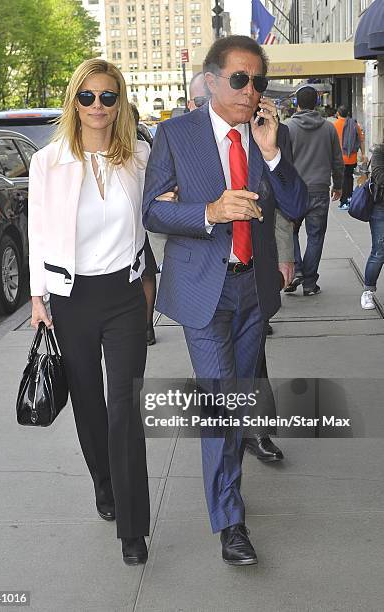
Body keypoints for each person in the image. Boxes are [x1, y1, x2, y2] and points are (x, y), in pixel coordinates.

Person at [143, 35, 307, 565]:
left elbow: (297, 203)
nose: (250, 90)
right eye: (240, 79)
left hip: (253, 290)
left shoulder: (263, 137)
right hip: (202, 292)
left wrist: (272, 153)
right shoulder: (175, 135)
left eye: (258, 81)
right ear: (211, 80)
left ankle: (228, 487)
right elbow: (152, 212)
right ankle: (230, 522)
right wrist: (209, 211)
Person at [28, 58, 156, 566]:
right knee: (89, 406)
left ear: (119, 102)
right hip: (71, 298)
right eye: (88, 96)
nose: (98, 106)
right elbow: (38, 232)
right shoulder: (49, 161)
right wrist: (38, 297)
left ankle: (132, 525)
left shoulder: (140, 156)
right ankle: (105, 484)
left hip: (125, 296)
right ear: (74, 101)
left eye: (108, 96)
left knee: (124, 407)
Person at [186, 69, 294, 461]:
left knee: (254, 363)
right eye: (199, 103)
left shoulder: (260, 135)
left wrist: (285, 254)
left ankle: (257, 429)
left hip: (252, 275)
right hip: (206, 284)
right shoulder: (184, 143)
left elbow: (283, 205)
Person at [284, 85, 344, 296]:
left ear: (297, 104)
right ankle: (309, 283)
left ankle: (296, 270)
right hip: (319, 189)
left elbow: (281, 162)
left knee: (289, 232)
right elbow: (338, 160)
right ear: (317, 103)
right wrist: (338, 185)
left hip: (294, 191)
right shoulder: (328, 128)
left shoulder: (287, 127)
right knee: (315, 236)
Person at [130, 102, 158, 345]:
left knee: (144, 275)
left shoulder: (141, 148)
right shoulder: (143, 146)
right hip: (143, 218)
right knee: (147, 274)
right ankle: (147, 326)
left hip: (138, 221)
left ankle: (144, 325)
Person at [361, 144, 384, 309]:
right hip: (380, 207)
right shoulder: (380, 151)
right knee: (379, 250)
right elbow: (379, 177)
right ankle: (368, 291)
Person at [334, 105, 366, 210]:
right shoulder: (354, 124)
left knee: (342, 178)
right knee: (349, 177)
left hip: (340, 158)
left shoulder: (335, 125)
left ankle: (344, 201)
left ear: (338, 114)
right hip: (352, 157)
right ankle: (349, 198)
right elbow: (361, 140)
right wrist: (363, 154)